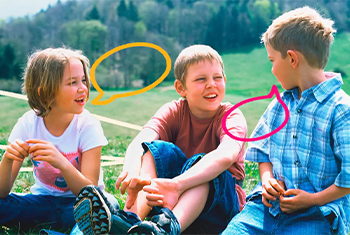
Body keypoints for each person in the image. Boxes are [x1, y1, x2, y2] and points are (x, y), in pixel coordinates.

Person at [73, 44, 247, 235]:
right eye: (200, 79)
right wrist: (132, 171)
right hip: (168, 200)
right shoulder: (174, 111)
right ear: (181, 88)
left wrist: (177, 185)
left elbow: (226, 155)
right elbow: (140, 142)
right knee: (156, 150)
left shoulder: (231, 116)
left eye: (218, 77)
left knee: (204, 165)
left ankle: (166, 228)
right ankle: (130, 221)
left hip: (217, 210)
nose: (212, 84)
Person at [222, 6, 350, 235]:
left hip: (316, 213)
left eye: (272, 60)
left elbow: (348, 178)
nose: (271, 69)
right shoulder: (279, 105)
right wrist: (267, 178)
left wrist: (312, 199)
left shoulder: (341, 109)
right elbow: (263, 152)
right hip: (264, 210)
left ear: (291, 58)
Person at [0, 48, 119, 233]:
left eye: (84, 80)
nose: (83, 88)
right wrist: (7, 160)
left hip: (81, 205)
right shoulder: (27, 125)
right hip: (41, 204)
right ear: (45, 93)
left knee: (106, 205)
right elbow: (2, 193)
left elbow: (91, 192)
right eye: (72, 82)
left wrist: (62, 163)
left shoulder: (88, 126)